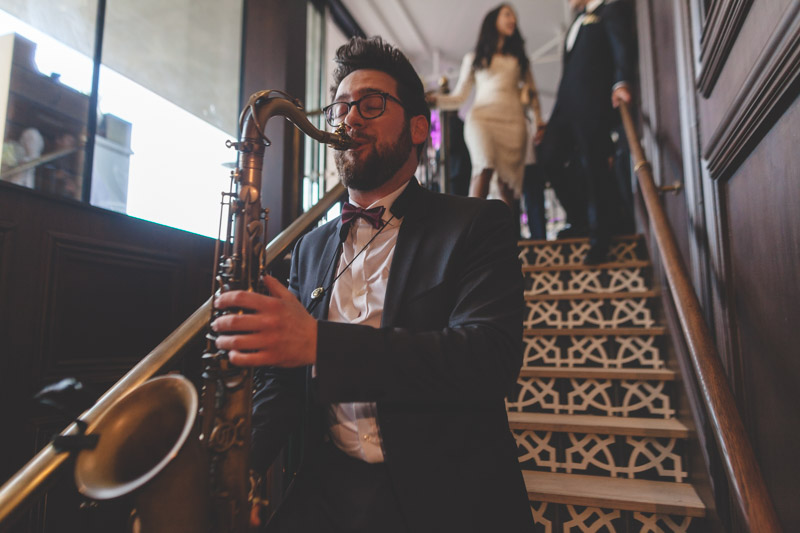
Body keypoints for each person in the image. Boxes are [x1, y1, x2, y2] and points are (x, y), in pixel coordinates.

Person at [212, 36, 534, 532]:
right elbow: (285, 379)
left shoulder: (478, 224)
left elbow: (488, 360)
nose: (349, 118)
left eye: (371, 103)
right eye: (341, 106)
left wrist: (321, 343)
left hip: (448, 492)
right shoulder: (310, 248)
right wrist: (240, 467)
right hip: (330, 485)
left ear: (418, 129)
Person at [537, 0, 634, 264]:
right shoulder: (576, 23)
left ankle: (600, 237)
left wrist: (621, 82)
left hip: (593, 102)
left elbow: (621, 46)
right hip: (564, 106)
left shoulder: (610, 9)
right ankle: (579, 219)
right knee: (547, 156)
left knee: (594, 167)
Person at [428, 3, 545, 209]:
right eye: (508, 15)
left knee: (507, 187)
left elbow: (532, 94)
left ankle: (507, 238)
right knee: (483, 167)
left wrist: (538, 120)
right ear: (494, 20)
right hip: (482, 119)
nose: (513, 20)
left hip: (513, 123)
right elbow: (459, 97)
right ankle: (471, 235)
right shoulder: (474, 58)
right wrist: (435, 100)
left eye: (514, 17)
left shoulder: (519, 60)